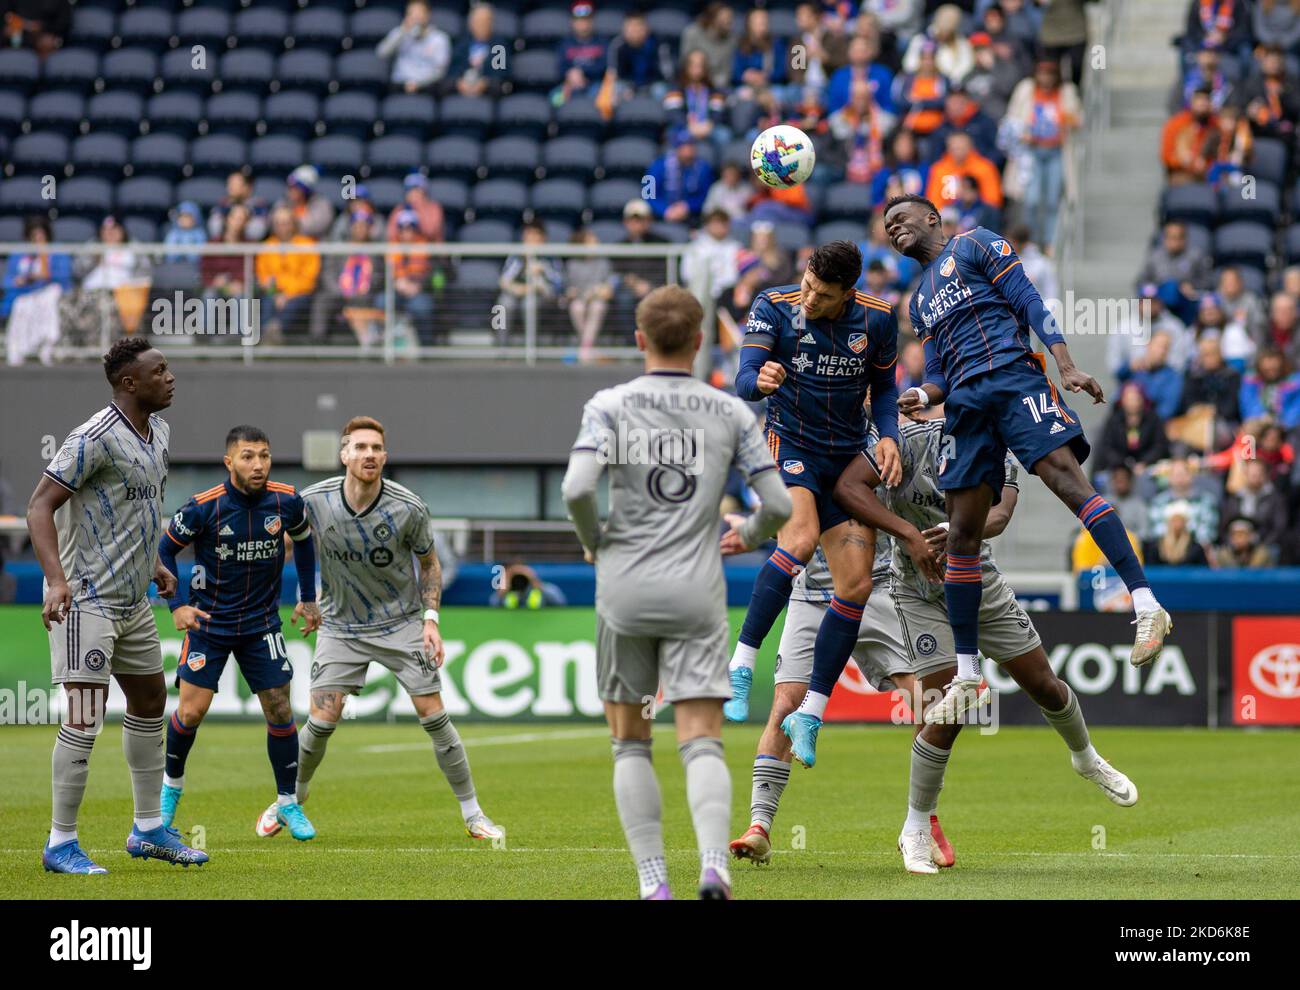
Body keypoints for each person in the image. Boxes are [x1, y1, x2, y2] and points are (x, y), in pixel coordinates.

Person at [884, 193, 1172, 723]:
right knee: (964, 533)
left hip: (1014, 380)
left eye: (901, 218)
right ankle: (969, 676)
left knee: (1070, 486)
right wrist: (924, 396)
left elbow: (1029, 302)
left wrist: (1064, 365)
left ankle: (1146, 604)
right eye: (886, 225)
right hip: (965, 409)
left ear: (932, 218)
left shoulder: (977, 244)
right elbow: (939, 371)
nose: (893, 228)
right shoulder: (918, 298)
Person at [831, 406, 1137, 870]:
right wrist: (910, 534)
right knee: (945, 706)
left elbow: (1002, 514)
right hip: (917, 589)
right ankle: (916, 826)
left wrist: (953, 533)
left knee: (1043, 685)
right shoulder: (910, 442)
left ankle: (1086, 758)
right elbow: (847, 488)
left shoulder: (998, 445)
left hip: (978, 580)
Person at [562, 284, 792, 899]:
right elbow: (778, 504)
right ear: (697, 342)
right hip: (695, 593)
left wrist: (593, 542)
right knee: (702, 740)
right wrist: (747, 533)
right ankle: (713, 867)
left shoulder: (608, 405)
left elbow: (578, 489)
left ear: (639, 341)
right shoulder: (730, 411)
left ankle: (653, 884)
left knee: (630, 743)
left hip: (624, 591)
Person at [261, 416, 503, 841]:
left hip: (400, 624)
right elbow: (287, 546)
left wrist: (431, 621)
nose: (369, 454)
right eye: (360, 447)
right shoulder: (313, 501)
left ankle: (473, 814)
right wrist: (303, 595)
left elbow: (430, 564)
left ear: (385, 457)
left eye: (376, 448)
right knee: (321, 719)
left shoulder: (408, 507)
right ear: (344, 455)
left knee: (434, 715)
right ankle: (289, 802)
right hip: (340, 626)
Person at [26, 338, 206, 872]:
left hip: (132, 601)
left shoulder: (160, 432)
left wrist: (153, 562)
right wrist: (55, 581)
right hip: (85, 600)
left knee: (151, 701)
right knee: (84, 717)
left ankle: (149, 828)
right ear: (131, 383)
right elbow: (39, 507)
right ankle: (61, 842)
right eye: (160, 370)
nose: (170, 377)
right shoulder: (92, 437)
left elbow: (136, 505)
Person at [725, 241, 903, 768]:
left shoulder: (878, 320)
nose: (808, 298)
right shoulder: (773, 305)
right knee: (799, 541)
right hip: (790, 444)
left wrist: (889, 435)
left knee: (854, 585)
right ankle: (740, 665)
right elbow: (743, 380)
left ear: (848, 293)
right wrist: (759, 380)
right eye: (806, 284)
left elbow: (886, 389)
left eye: (822, 296)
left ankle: (812, 712)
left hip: (848, 460)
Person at [155, 427, 318, 840]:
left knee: (280, 708)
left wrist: (309, 596)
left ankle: (287, 804)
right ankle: (170, 788)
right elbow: (163, 550)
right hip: (209, 623)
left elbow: (304, 541)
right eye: (248, 456)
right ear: (229, 462)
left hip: (262, 623)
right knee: (191, 712)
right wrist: (176, 606)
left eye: (264, 455)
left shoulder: (287, 500)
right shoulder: (203, 508)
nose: (258, 464)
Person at [3, 216, 72, 366]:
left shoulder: (57, 251)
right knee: (21, 305)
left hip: (49, 292)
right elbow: (7, 280)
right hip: (25, 294)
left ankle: (47, 345)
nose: (38, 239)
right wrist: (20, 280)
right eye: (34, 236)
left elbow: (65, 277)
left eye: (42, 235)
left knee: (49, 297)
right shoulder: (19, 254)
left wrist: (45, 276)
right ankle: (18, 350)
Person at [256, 207, 320, 341]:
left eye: (285, 223)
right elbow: (263, 275)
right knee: (267, 301)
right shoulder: (267, 246)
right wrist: (275, 292)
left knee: (292, 304)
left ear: (293, 224)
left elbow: (308, 279)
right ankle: (266, 335)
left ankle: (275, 332)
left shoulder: (307, 245)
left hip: (299, 294)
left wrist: (287, 294)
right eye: (278, 223)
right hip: (273, 293)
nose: (281, 228)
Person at [497, 220, 563, 337]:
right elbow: (504, 280)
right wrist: (516, 287)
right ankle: (501, 346)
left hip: (542, 296)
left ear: (543, 238)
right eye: (528, 234)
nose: (531, 238)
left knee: (529, 303)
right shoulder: (517, 255)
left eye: (534, 234)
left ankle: (531, 349)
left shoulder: (551, 257)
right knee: (503, 304)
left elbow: (558, 284)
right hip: (518, 293)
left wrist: (543, 271)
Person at [564, 227, 615, 363]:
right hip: (580, 299)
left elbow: (609, 285)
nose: (596, 243)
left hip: (597, 299)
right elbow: (568, 288)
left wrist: (600, 290)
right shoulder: (572, 264)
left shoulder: (604, 263)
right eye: (591, 241)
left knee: (598, 307)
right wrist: (572, 292)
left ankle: (585, 348)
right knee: (577, 308)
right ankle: (589, 347)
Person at [1095, 382, 1171, 473]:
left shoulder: (1153, 419)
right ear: (1122, 400)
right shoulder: (1115, 420)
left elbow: (1159, 445)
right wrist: (1122, 465)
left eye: (1135, 398)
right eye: (1129, 399)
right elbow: (1107, 447)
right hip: (1119, 467)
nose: (1132, 402)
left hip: (1147, 466)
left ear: (1142, 399)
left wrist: (1144, 462)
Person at [377, 0, 450, 93]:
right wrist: (402, 31)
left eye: (419, 12)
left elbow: (440, 71)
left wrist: (419, 84)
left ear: (427, 15)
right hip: (399, 84)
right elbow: (381, 53)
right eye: (411, 13)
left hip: (426, 86)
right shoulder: (400, 33)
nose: (415, 17)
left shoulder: (439, 38)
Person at [445, 2, 507, 98]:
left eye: (485, 21)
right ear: (470, 23)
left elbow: (500, 74)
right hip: (462, 90)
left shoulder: (499, 45)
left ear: (491, 23)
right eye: (477, 21)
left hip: (488, 93)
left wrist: (485, 83)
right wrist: (459, 83)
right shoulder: (461, 43)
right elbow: (453, 70)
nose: (481, 25)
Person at [1142, 502, 1211, 566]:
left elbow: (1203, 572)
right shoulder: (1156, 547)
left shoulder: (1195, 548)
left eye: (1181, 521)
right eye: (1174, 521)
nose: (1177, 524)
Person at [208, 171, 268, 243]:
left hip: (250, 247)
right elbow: (215, 228)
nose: (230, 187)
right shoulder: (223, 203)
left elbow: (257, 232)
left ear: (247, 187)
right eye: (229, 183)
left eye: (234, 184)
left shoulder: (258, 204)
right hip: (225, 245)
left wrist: (236, 226)